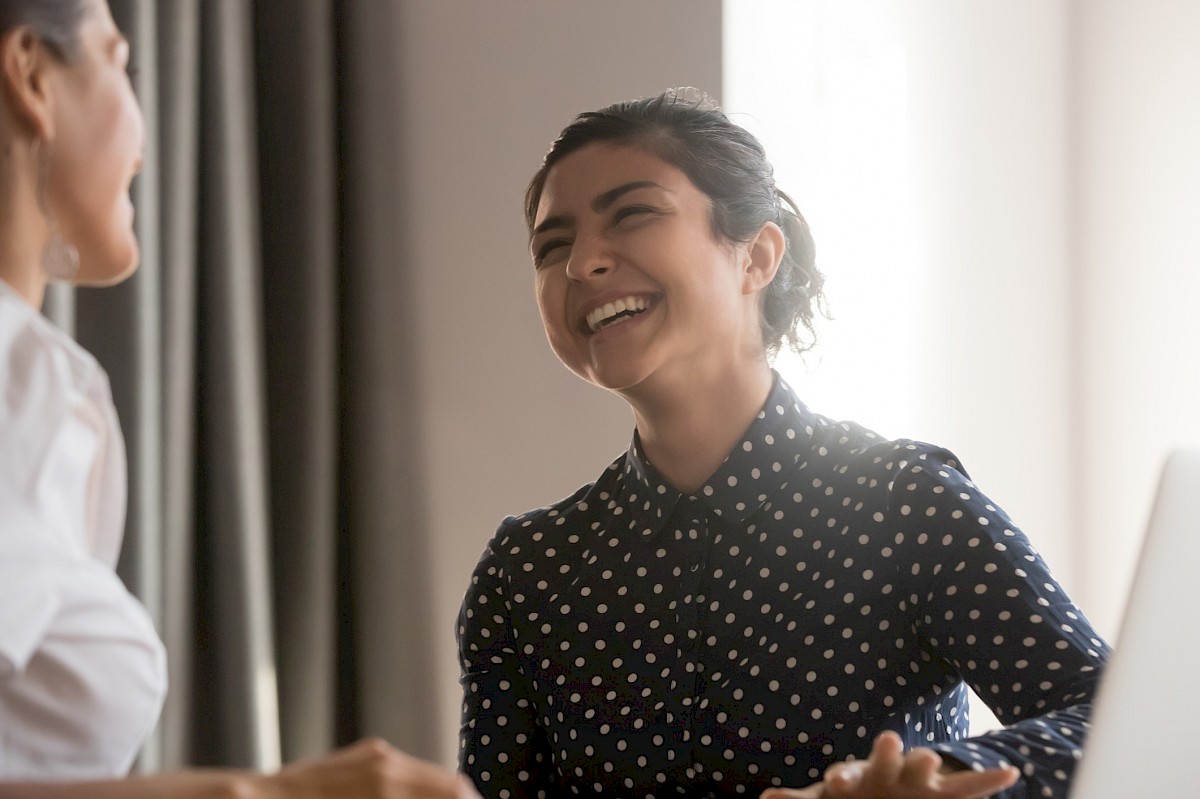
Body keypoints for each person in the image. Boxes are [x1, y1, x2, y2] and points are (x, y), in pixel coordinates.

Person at [456, 87, 1110, 799]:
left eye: (633, 213)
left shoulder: (904, 502)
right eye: (554, 246)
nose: (582, 263)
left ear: (758, 254)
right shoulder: (528, 573)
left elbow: (1114, 717)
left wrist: (935, 779)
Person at [0, 1, 475, 797]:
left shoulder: (48, 387)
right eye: (124, 64)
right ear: (31, 74)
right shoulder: (23, 380)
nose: (146, 147)